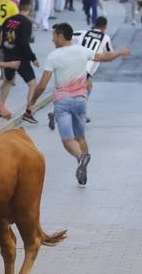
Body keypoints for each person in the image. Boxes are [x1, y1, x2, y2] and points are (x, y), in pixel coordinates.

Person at [27, 23, 131, 186]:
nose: (51, 38)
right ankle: (83, 169)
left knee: (68, 140)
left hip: (62, 103)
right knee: (80, 137)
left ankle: (81, 158)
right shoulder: (82, 51)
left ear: (61, 36)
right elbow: (105, 57)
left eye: (53, 35)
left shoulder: (53, 56)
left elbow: (41, 85)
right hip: (80, 101)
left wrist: (32, 101)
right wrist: (120, 52)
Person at [2, 0, 40, 121]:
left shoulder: (8, 20)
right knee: (33, 84)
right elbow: (24, 43)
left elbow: (2, 37)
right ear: (29, 9)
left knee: (7, 81)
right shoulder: (26, 23)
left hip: (8, 55)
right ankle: (28, 112)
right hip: (21, 58)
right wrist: (33, 58)